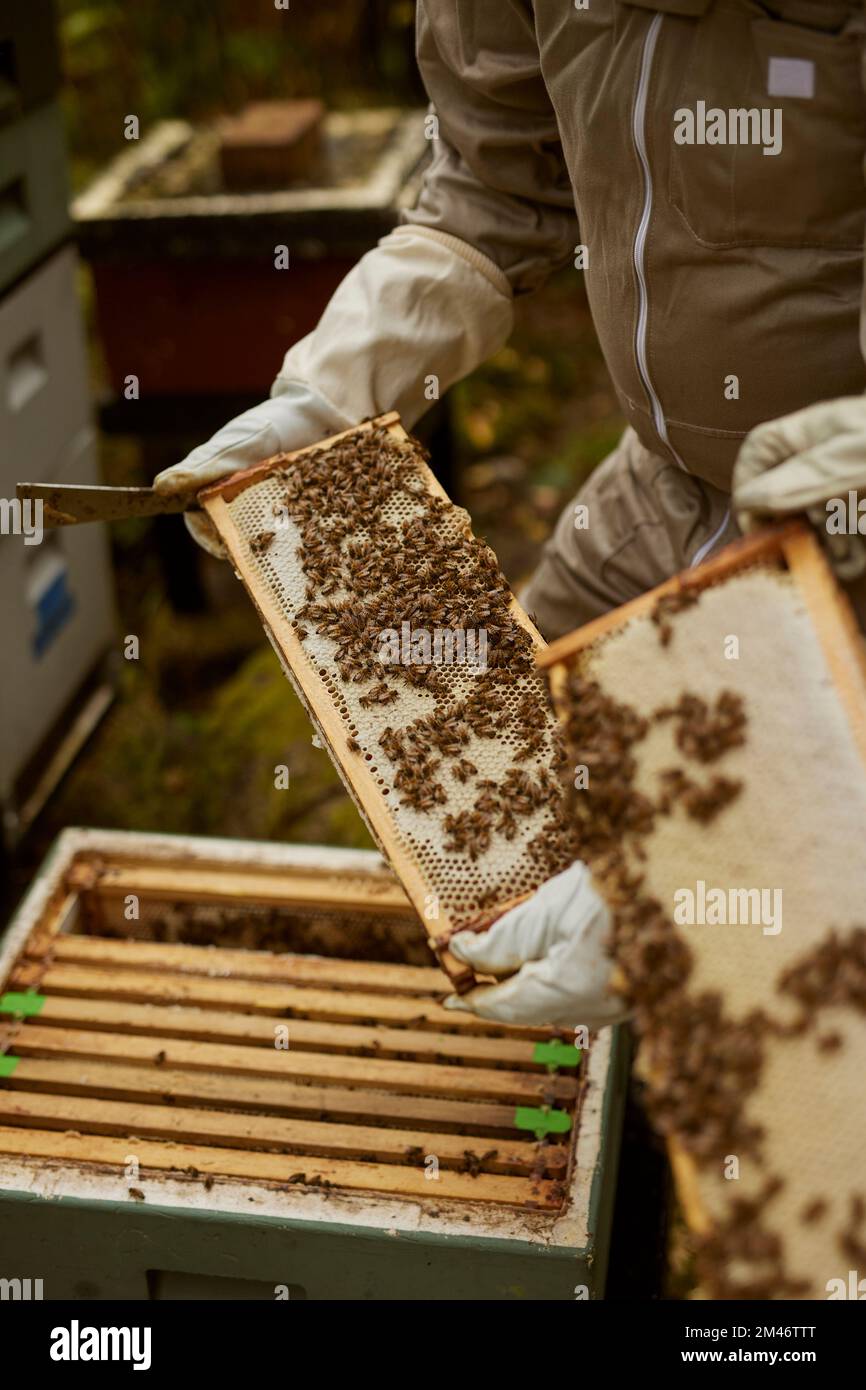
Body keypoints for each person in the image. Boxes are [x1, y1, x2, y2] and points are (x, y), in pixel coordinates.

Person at [153, 1, 866, 1029]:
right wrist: (338, 384)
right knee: (508, 820)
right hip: (663, 486)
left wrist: (717, 869)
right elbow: (493, 183)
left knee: (783, 976)